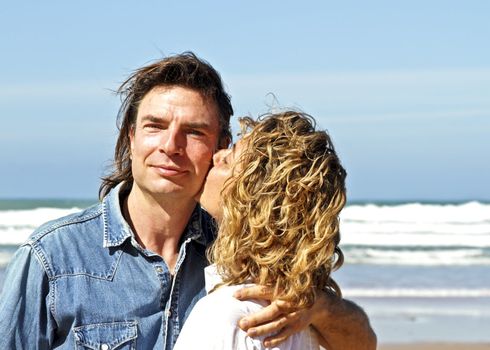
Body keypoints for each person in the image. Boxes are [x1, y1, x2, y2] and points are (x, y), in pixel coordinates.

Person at [0, 52, 376, 349]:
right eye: (155, 126)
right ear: (131, 138)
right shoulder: (54, 256)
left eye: (194, 132)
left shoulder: (244, 251)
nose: (170, 146)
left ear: (220, 149)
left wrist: (320, 307)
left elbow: (360, 343)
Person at [173, 111, 367, 349]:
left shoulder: (224, 315)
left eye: (228, 160)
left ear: (251, 202)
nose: (215, 156)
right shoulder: (307, 322)